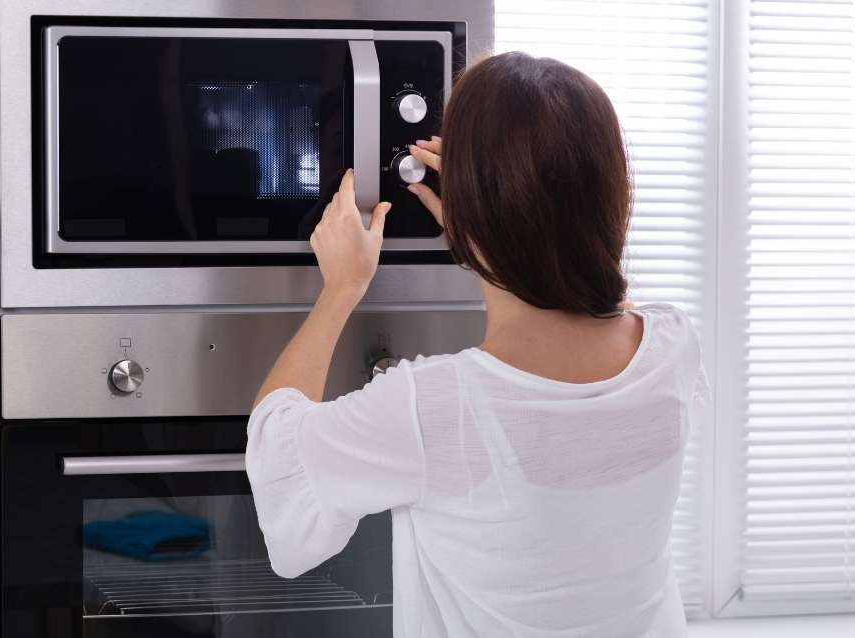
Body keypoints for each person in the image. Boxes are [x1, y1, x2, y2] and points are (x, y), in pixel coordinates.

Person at [245, 52, 708, 637]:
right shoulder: (672, 343)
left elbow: (278, 455)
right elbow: (596, 303)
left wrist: (341, 288)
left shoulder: (432, 406)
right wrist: (482, 223)